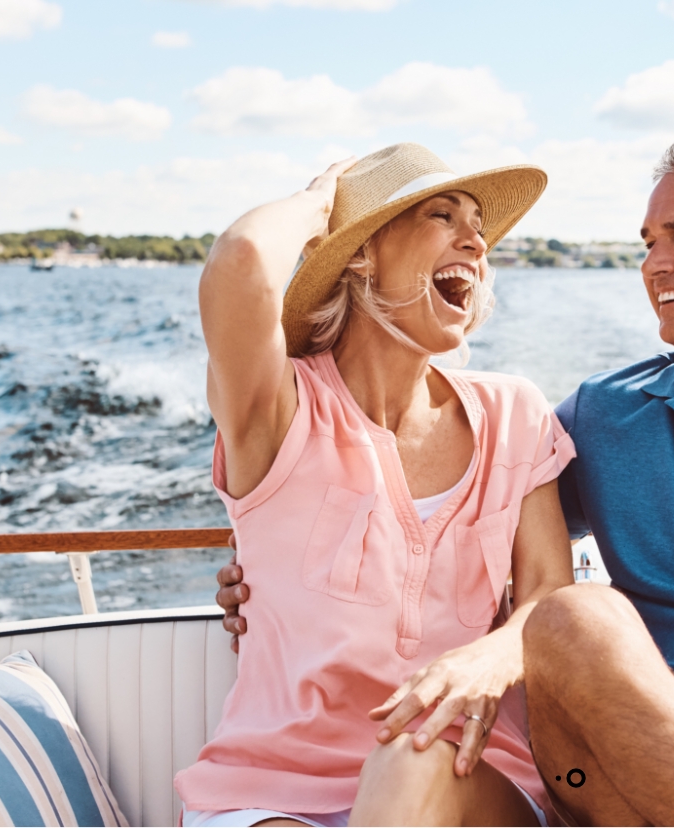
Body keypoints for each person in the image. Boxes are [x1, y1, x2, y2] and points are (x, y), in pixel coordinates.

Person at [217, 134, 674, 827]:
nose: (653, 264)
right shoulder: (602, 416)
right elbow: (463, 536)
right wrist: (275, 567)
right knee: (577, 617)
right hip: (626, 763)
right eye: (648, 243)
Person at [178, 143, 576, 828]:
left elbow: (550, 596)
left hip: (465, 780)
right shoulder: (280, 413)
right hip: (274, 791)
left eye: (478, 224)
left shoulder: (517, 413)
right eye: (441, 214)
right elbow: (241, 262)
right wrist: (320, 203)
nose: (475, 239)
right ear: (361, 254)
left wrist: (494, 653)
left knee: (412, 755)